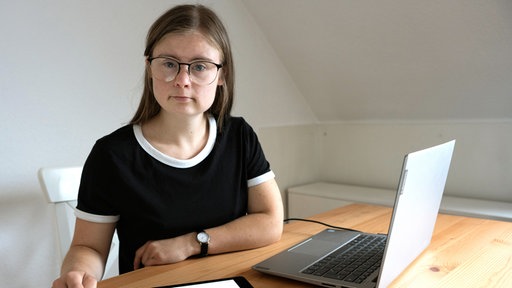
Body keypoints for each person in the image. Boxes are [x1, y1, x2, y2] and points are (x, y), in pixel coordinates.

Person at [52, 4, 283, 288]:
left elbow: (270, 222)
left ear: (222, 75)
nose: (182, 81)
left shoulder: (239, 135)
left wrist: (189, 243)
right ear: (150, 67)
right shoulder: (111, 155)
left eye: (199, 66)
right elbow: (88, 248)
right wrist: (77, 275)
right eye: (169, 64)